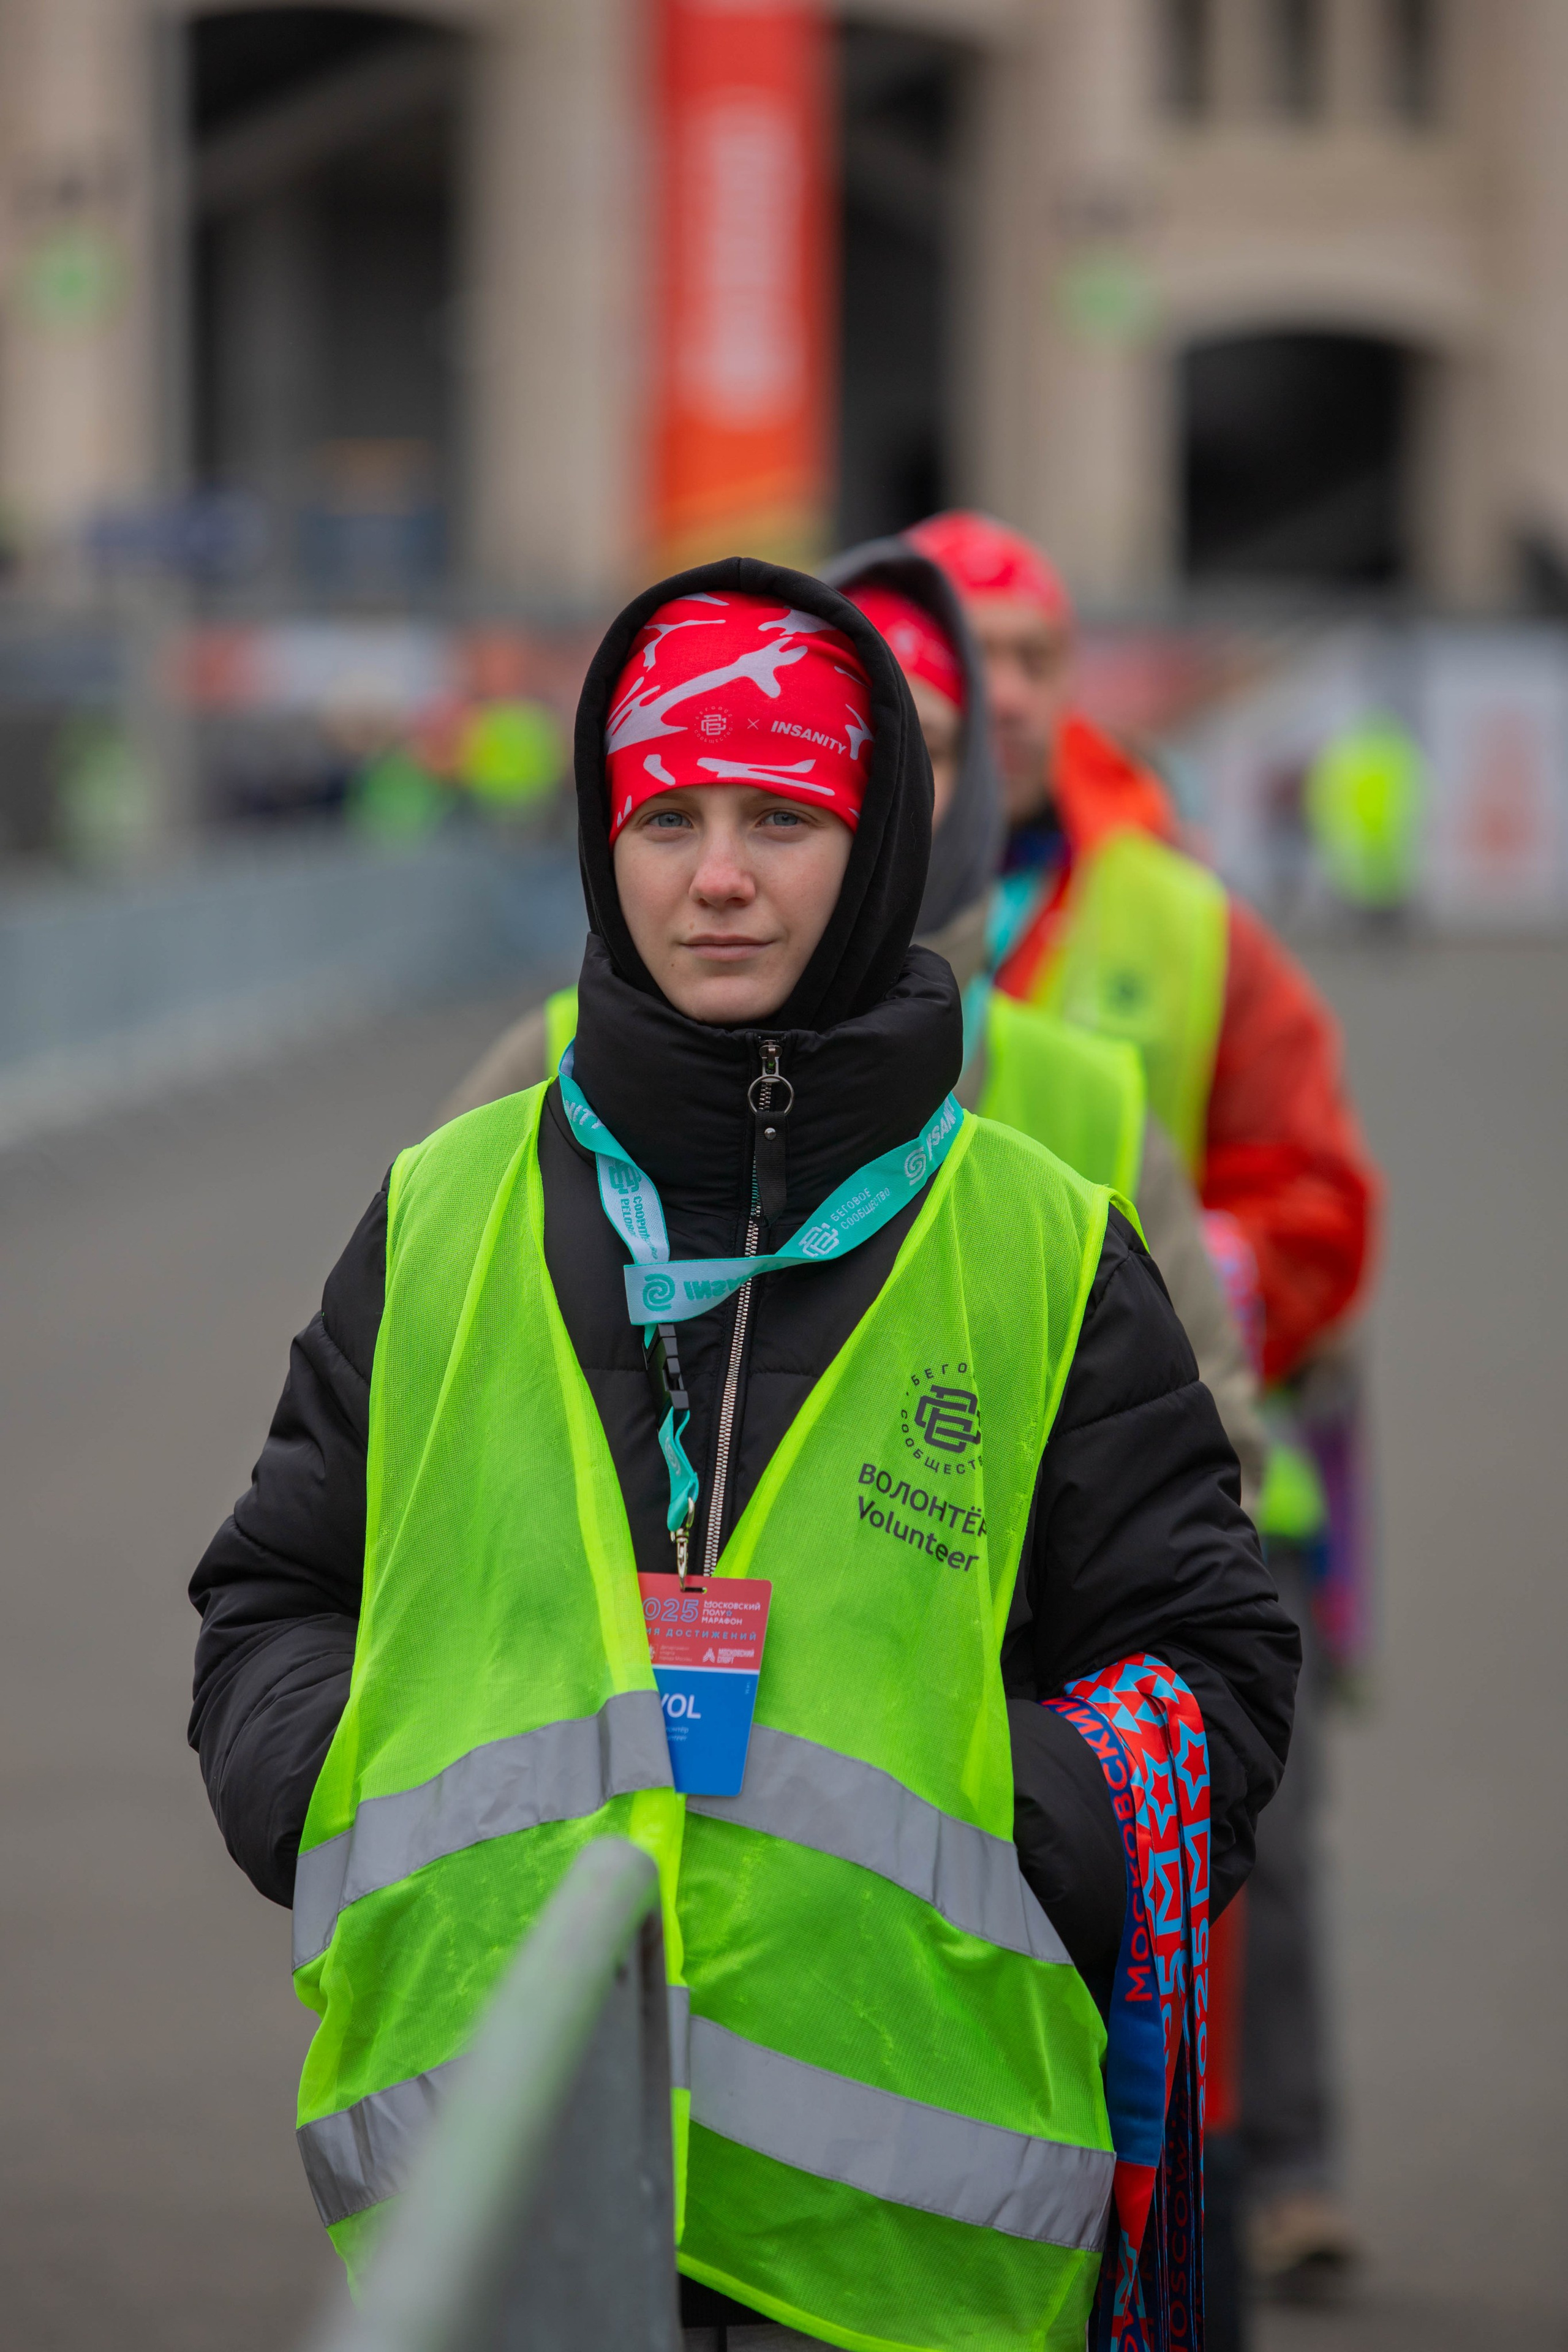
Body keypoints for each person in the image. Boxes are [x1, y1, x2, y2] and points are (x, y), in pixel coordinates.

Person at [189, 559, 1297, 2351]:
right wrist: (344, 1793)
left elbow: (1214, 1663)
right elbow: (276, 1596)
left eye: (782, 816)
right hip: (499, 2193)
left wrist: (1015, 1824)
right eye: (668, 817)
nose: (717, 876)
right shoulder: (443, 1208)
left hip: (906, 2267)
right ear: (598, 846)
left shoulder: (1044, 1240)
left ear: (880, 845)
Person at [910, 510, 1379, 2297]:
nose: (1000, 695)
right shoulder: (798, 911)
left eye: (1029, 657)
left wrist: (1173, 1303)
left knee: (1250, 1851)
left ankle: (1274, 2175)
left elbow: (1322, 1193)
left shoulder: (1178, 916)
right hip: (940, 1503)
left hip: (1207, 1480)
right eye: (961, 661)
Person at [443, 543, 1270, 1515]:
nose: (723, 874)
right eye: (673, 816)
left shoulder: (1088, 1107)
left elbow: (1192, 1525)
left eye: (938, 751)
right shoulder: (541, 1076)